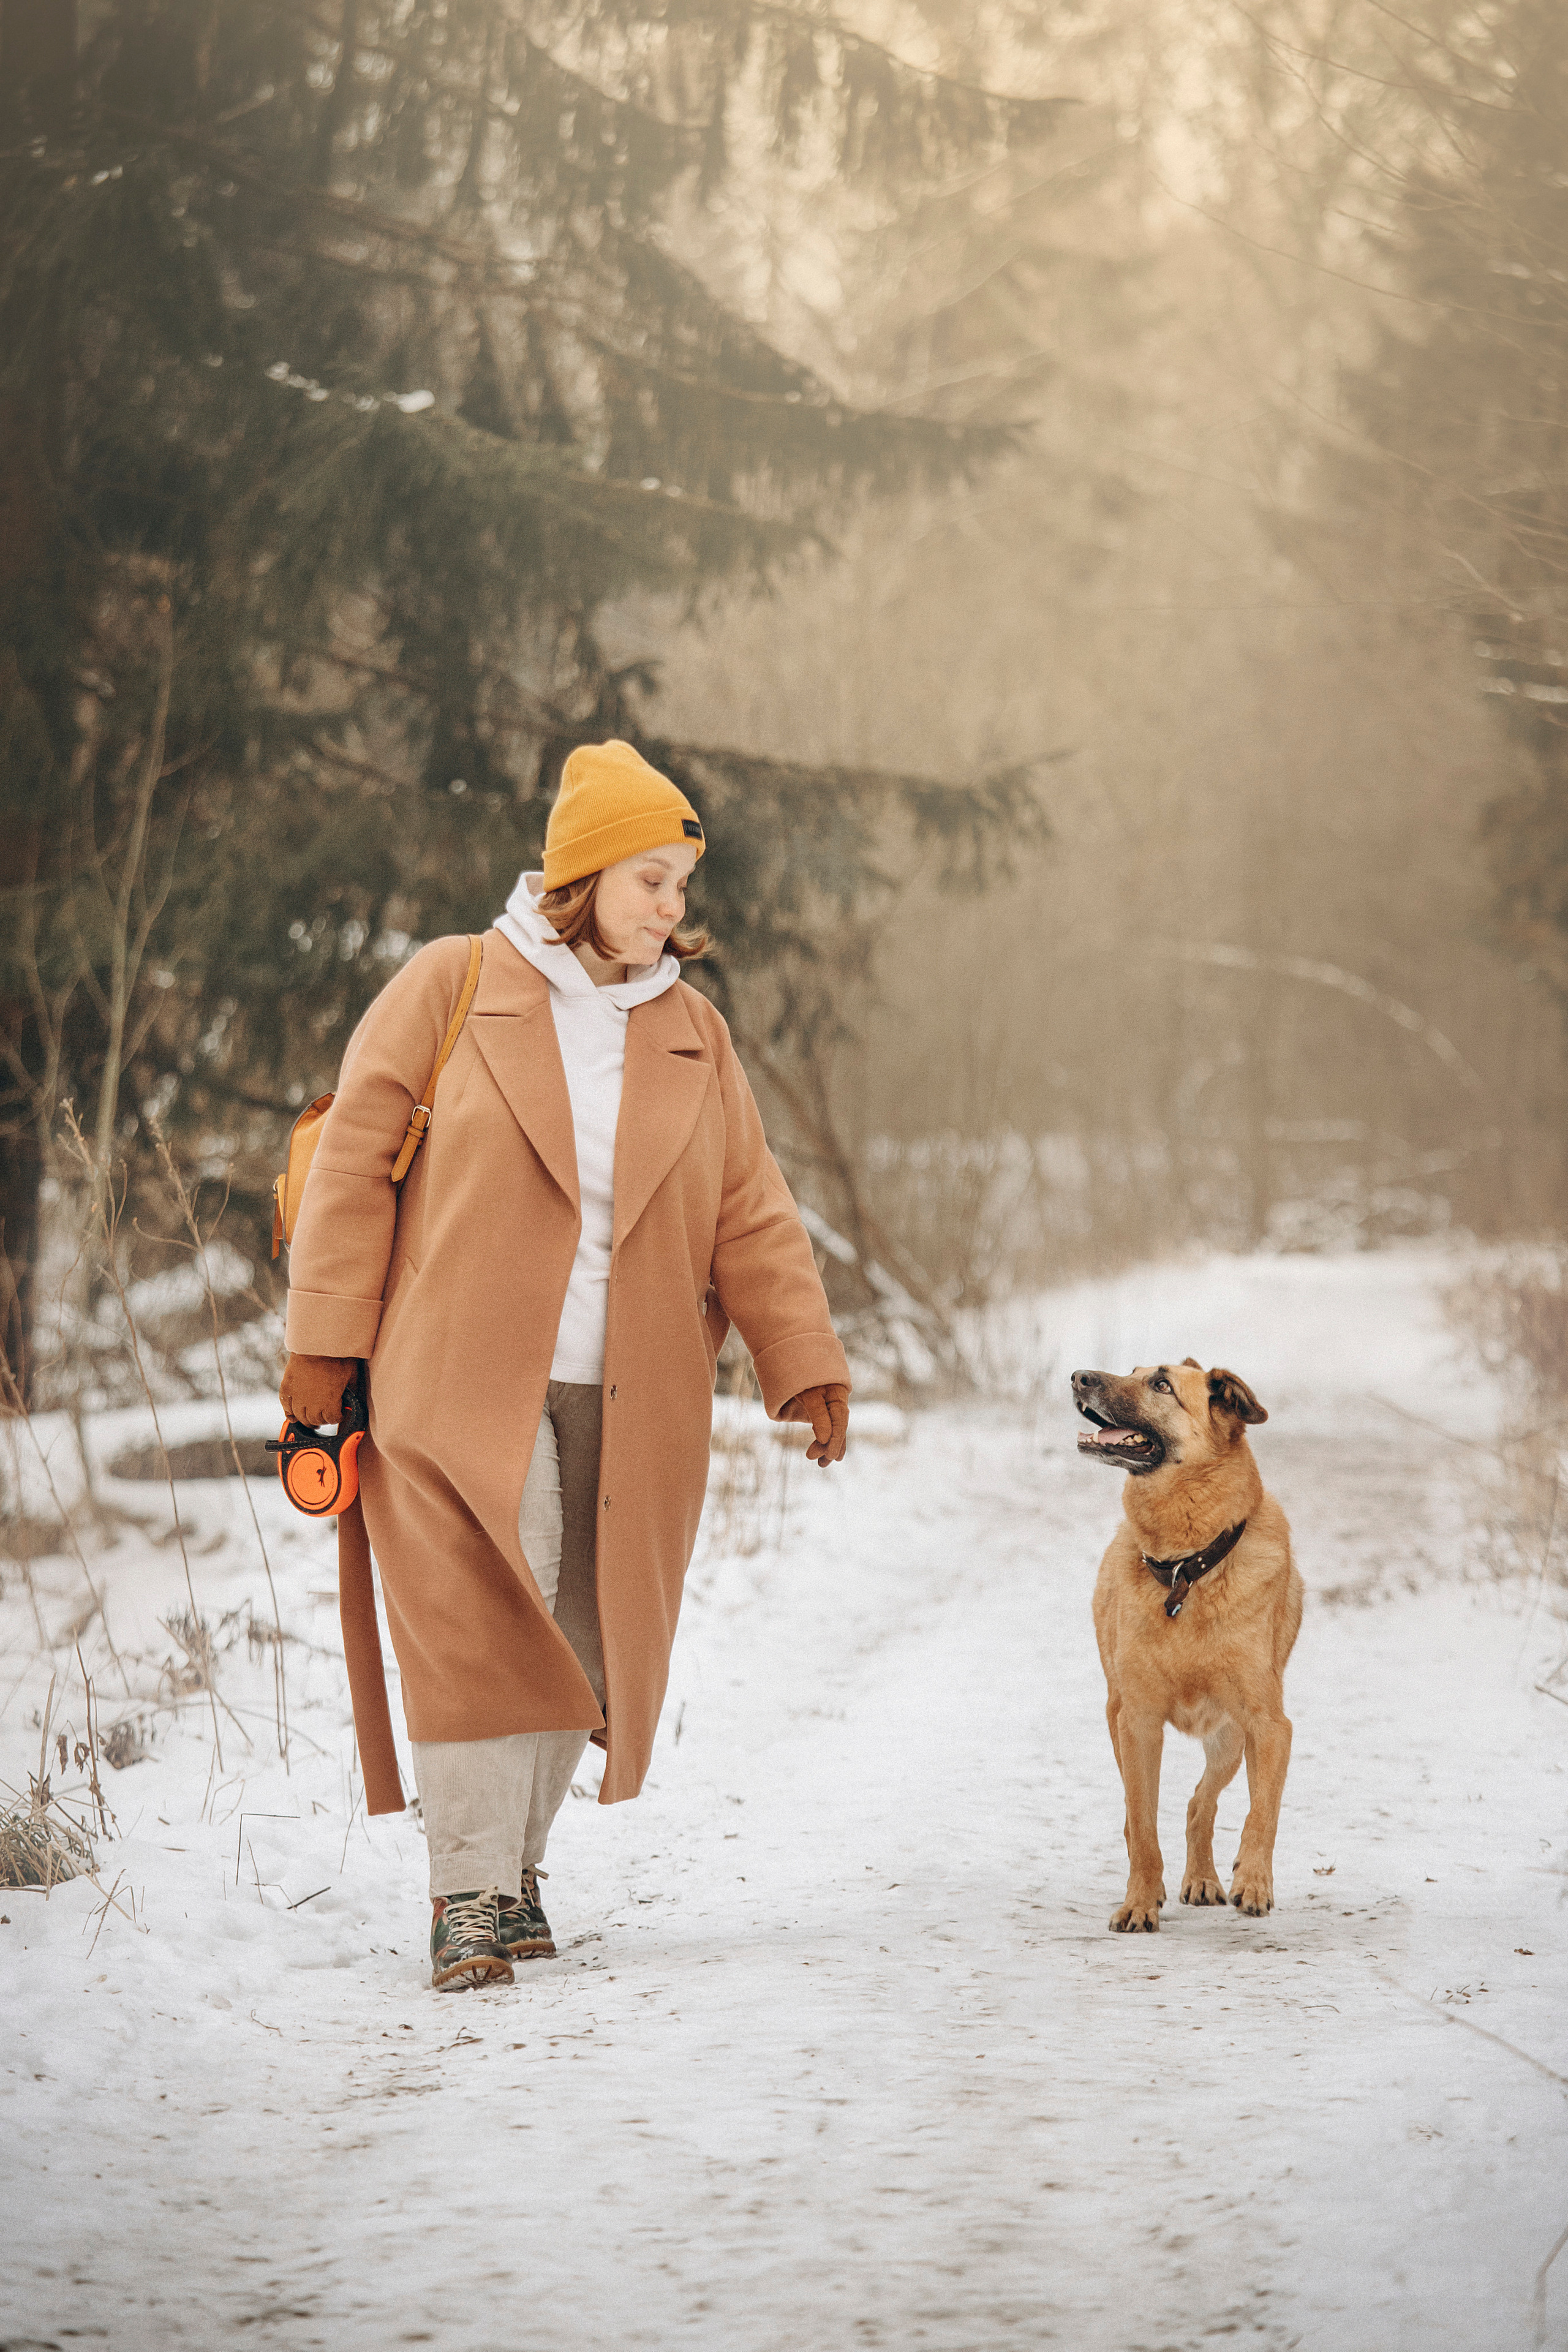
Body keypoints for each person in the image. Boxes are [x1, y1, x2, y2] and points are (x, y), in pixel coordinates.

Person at [279, 739, 851, 1990]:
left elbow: (748, 1208)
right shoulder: (452, 985)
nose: (669, 906)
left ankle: (516, 1873)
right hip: (453, 1373)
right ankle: (467, 1895)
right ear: (581, 875)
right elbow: (350, 1171)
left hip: (634, 1385)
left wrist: (798, 1357)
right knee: (496, 1601)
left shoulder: (692, 1033)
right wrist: (323, 1347)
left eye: (680, 888)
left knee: (579, 1631)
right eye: (649, 878)